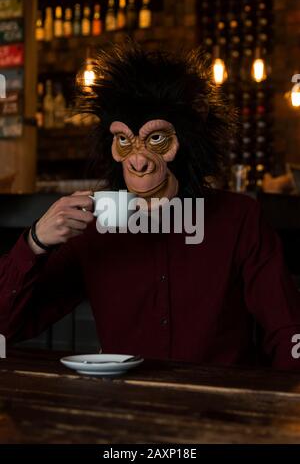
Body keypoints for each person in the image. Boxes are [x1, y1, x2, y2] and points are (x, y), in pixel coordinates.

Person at [0, 43, 299, 369]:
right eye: (125, 141)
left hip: (220, 408)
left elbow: (288, 330)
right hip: (126, 408)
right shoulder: (96, 229)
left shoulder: (238, 218)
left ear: (187, 142)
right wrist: (34, 242)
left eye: (156, 139)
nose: (138, 160)